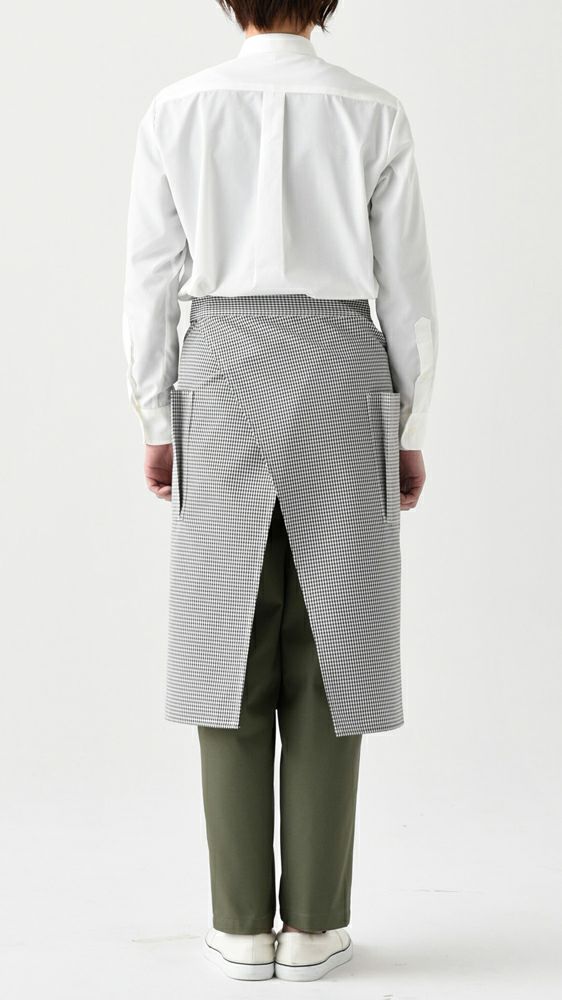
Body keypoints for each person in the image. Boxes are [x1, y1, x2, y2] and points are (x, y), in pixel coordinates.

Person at [121, 0, 438, 983]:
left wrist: (155, 415)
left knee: (223, 642)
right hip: (343, 369)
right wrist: (410, 427)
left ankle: (238, 927)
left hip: (217, 369)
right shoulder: (373, 110)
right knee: (333, 646)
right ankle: (313, 927)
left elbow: (149, 278)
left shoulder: (176, 109)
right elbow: (407, 291)